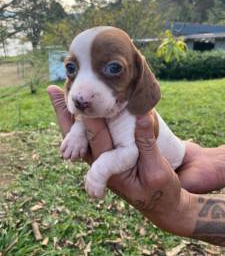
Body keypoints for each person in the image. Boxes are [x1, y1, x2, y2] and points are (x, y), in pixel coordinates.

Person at [48, 85, 225, 246]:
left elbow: (129, 153)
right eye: (72, 70)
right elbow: (91, 117)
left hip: (174, 161)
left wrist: (183, 209)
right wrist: (78, 132)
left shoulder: (133, 108)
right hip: (184, 155)